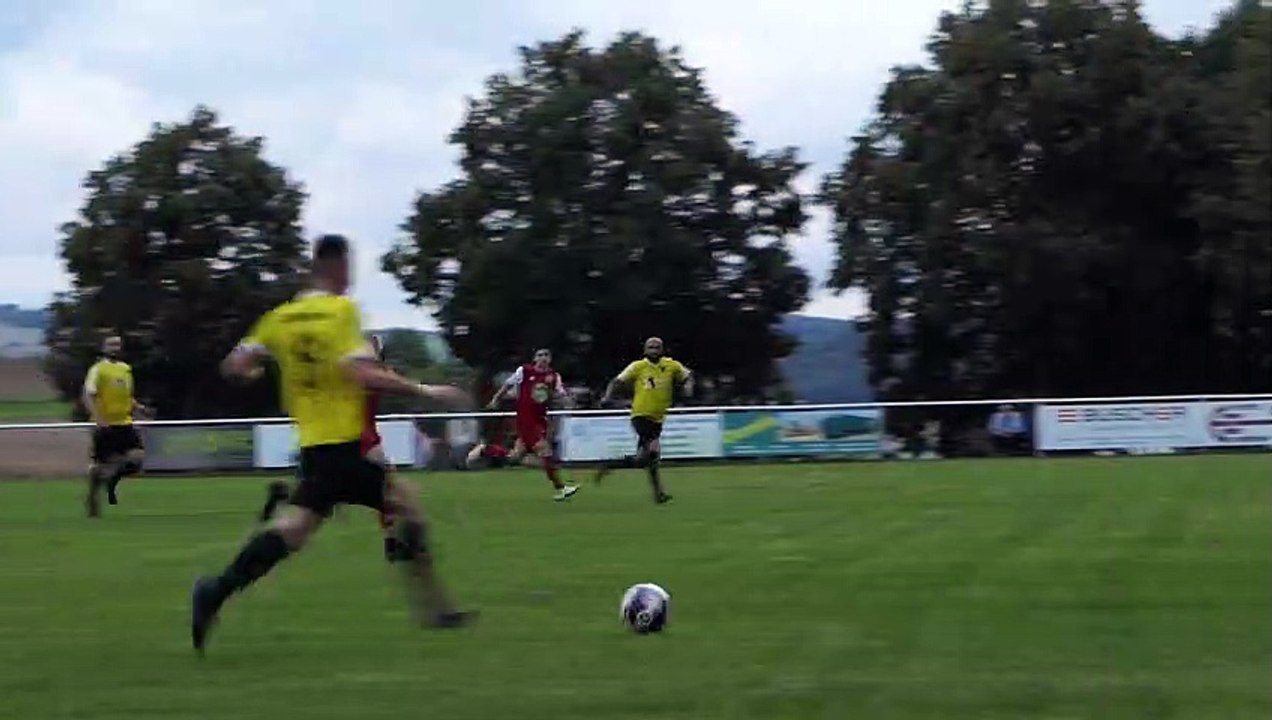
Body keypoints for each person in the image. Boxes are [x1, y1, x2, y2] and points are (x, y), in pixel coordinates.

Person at [190, 234, 475, 655]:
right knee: (407, 508)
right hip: (346, 446)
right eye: (350, 268)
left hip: (314, 448)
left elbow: (235, 364)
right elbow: (362, 372)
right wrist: (424, 390)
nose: (351, 278)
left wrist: (260, 371)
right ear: (337, 267)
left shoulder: (279, 317)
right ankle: (434, 609)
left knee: (293, 531)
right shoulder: (341, 312)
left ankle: (214, 591)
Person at [257, 333, 399, 561]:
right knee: (388, 491)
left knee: (318, 495)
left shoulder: (356, 371)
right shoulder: (369, 374)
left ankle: (283, 496)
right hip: (362, 440)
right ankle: (393, 543)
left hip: (347, 439)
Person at [594, 337, 693, 504]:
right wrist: (607, 397)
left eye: (657, 347)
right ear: (645, 350)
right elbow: (616, 381)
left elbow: (688, 375)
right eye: (650, 347)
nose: (654, 349)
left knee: (645, 460)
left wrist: (688, 386)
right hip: (641, 415)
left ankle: (612, 466)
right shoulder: (638, 366)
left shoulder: (671, 365)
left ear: (662, 349)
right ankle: (658, 493)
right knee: (653, 451)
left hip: (657, 418)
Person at [486, 348, 579, 501]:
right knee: (545, 451)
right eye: (540, 355)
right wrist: (495, 399)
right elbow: (507, 385)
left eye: (546, 355)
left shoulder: (553, 376)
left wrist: (568, 400)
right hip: (526, 420)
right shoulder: (524, 371)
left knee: (514, 456)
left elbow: (560, 392)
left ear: (550, 359)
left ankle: (486, 449)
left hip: (540, 420)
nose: (543, 358)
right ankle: (561, 488)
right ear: (535, 358)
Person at [82, 334, 152, 517]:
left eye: (118, 344)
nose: (115, 347)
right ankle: (93, 498)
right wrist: (98, 418)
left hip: (125, 423)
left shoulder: (125, 369)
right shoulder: (98, 369)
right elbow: (89, 395)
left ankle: (111, 480)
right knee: (99, 466)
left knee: (137, 458)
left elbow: (126, 396)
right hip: (106, 425)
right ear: (103, 347)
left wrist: (139, 408)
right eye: (111, 344)